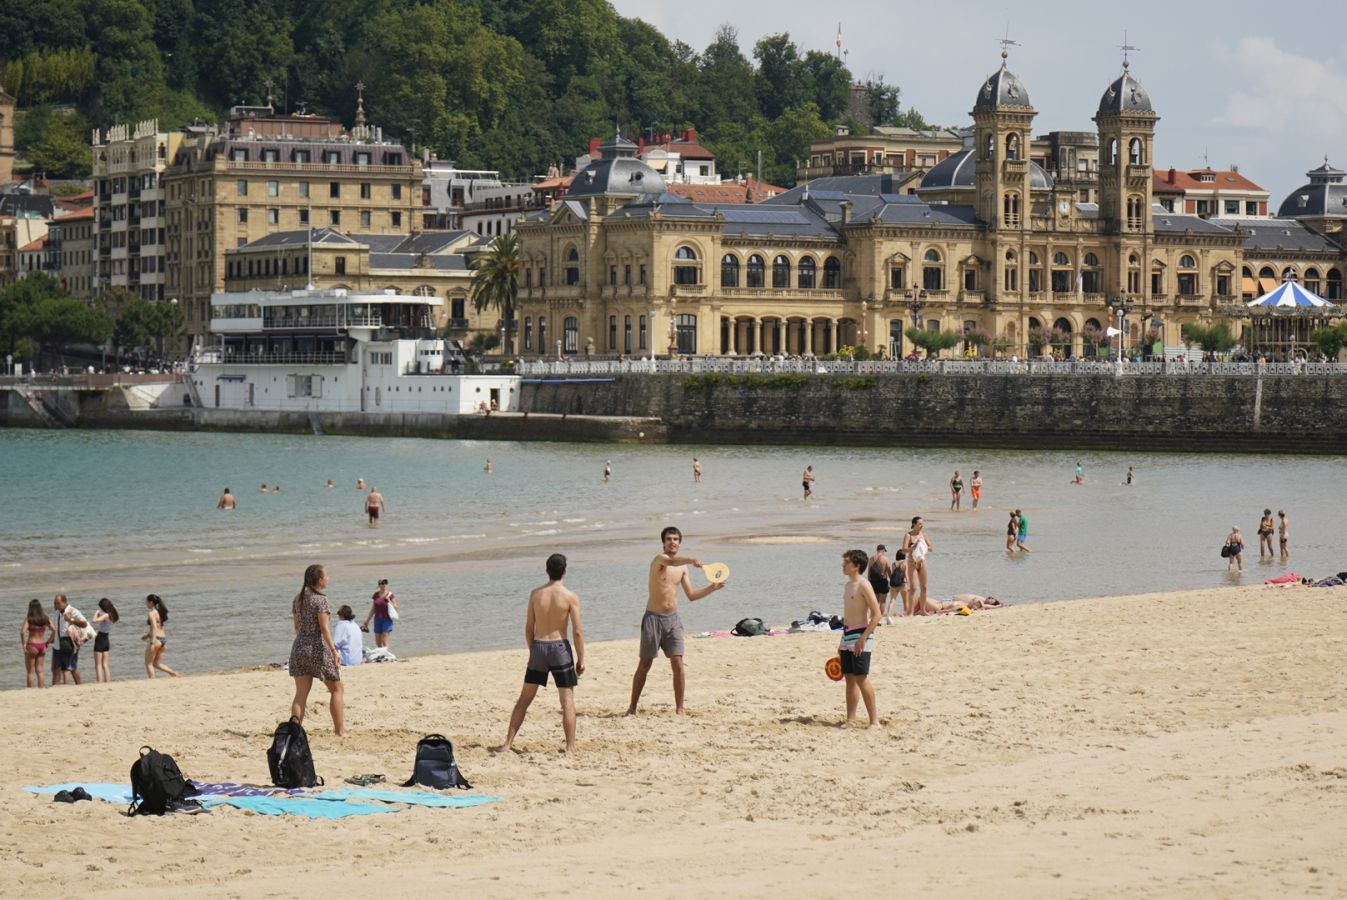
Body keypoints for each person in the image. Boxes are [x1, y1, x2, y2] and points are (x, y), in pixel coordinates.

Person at [627, 526, 725, 715]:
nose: (672, 542)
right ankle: (632, 706)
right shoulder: (659, 560)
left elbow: (692, 595)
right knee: (645, 664)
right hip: (652, 619)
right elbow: (671, 561)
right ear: (663, 543)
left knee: (678, 663)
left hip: (673, 620)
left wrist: (711, 588)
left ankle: (680, 708)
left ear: (680, 543)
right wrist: (691, 559)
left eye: (676, 539)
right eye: (669, 539)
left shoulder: (682, 568)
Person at [496, 553, 586, 754]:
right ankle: (570, 747)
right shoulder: (570, 596)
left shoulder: (536, 594)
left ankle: (507, 743)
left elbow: (529, 628)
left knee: (524, 699)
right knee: (567, 701)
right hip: (560, 648)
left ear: (547, 570)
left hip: (539, 646)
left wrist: (533, 651)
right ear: (565, 571)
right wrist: (581, 659)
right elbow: (577, 631)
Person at [288, 565, 344, 736]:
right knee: (336, 689)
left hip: (299, 647)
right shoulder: (321, 600)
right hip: (317, 648)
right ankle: (340, 731)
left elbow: (297, 627)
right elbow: (324, 628)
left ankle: (295, 732)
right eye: (326, 575)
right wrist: (334, 651)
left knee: (301, 694)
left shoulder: (298, 599)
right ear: (319, 580)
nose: (328, 578)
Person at [838, 549, 881, 729]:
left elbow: (877, 614)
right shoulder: (848, 585)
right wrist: (841, 641)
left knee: (861, 678)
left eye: (846, 562)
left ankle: (874, 721)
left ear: (856, 566)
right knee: (848, 678)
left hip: (861, 635)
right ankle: (851, 719)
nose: (843, 565)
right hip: (847, 634)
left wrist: (864, 637)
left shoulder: (864, 585)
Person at [52, 595, 90, 685]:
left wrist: (71, 620)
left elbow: (84, 623)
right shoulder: (56, 613)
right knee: (56, 667)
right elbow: (57, 629)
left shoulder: (73, 611)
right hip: (57, 643)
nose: (56, 605)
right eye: (55, 603)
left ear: (65, 602)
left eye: (58, 603)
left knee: (71, 667)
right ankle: (55, 687)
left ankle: (79, 685)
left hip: (69, 643)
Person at [901, 517, 933, 616]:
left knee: (924, 587)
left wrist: (924, 546)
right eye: (919, 524)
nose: (921, 526)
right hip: (912, 562)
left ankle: (923, 610)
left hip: (922, 561)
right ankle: (910, 611)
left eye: (922, 524)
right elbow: (903, 550)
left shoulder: (924, 535)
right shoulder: (908, 535)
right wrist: (913, 547)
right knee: (913, 588)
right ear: (914, 524)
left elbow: (931, 548)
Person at [142, 594, 179, 678]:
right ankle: (173, 673)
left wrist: (152, 641)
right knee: (156, 664)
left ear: (151, 602)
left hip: (156, 640)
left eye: (146, 602)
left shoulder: (151, 613)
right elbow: (159, 627)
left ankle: (152, 681)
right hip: (163, 639)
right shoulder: (160, 612)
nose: (146, 603)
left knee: (148, 664)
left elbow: (154, 627)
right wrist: (147, 635)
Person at [21, 599, 55, 689]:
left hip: (32, 645)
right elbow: (54, 630)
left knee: (30, 671)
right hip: (42, 645)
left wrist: (24, 645)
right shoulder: (45, 618)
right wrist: (48, 641)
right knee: (40, 670)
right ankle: (41, 688)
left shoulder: (29, 619)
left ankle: (30, 689)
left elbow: (22, 632)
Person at [362, 579, 398, 649]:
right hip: (377, 619)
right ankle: (381, 655)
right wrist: (367, 621)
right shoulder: (376, 595)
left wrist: (389, 601)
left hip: (387, 619)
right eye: (382, 583)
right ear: (379, 585)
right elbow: (373, 609)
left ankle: (386, 655)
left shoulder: (390, 595)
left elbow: (396, 607)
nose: (384, 584)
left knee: (384, 641)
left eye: (385, 583)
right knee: (378, 642)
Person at [92, 598, 119, 683]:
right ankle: (108, 681)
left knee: (98, 665)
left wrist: (96, 612)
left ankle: (99, 682)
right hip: (106, 638)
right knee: (105, 664)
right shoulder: (112, 614)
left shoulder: (106, 615)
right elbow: (114, 607)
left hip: (100, 638)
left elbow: (94, 620)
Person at [866, 545, 892, 622]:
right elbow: (888, 570)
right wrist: (891, 579)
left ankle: (873, 616)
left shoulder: (871, 559)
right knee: (883, 601)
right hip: (882, 581)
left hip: (873, 581)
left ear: (877, 550)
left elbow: (869, 572)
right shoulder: (885, 559)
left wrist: (869, 582)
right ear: (883, 550)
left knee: (875, 601)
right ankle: (879, 618)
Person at [886, 548, 908, 622]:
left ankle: (888, 616)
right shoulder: (905, 563)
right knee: (905, 600)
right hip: (902, 584)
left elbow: (892, 574)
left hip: (894, 584)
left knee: (892, 600)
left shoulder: (893, 563)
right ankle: (905, 614)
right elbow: (906, 575)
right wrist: (909, 584)